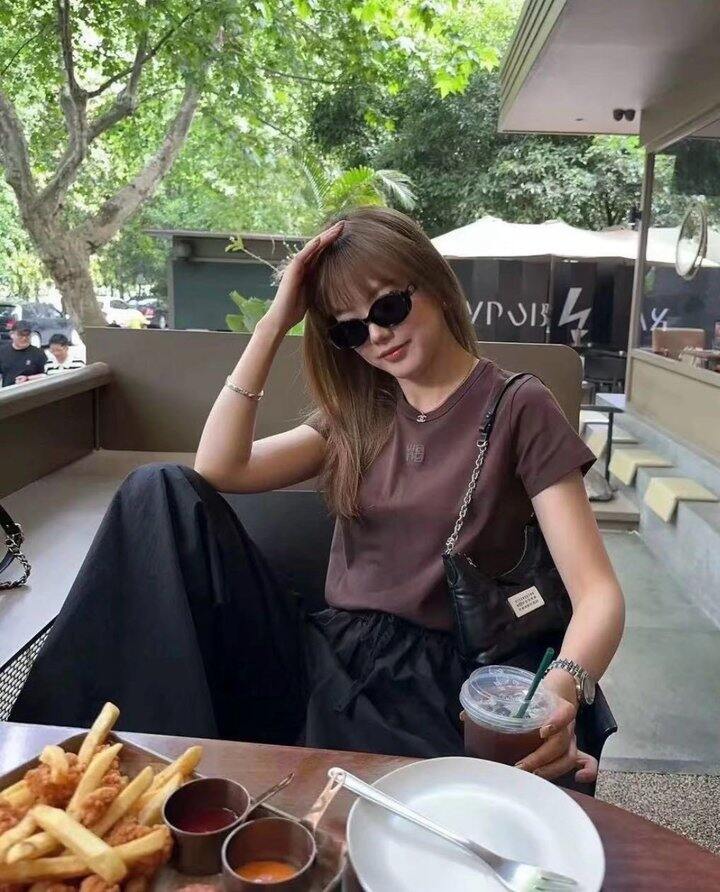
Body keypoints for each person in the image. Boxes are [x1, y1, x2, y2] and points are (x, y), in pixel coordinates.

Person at [11, 207, 625, 787]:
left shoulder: (518, 406)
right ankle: (53, 756)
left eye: (389, 306)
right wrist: (275, 323)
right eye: (351, 328)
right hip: (323, 653)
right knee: (157, 490)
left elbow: (597, 594)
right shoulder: (360, 413)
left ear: (434, 285)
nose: (377, 334)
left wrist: (560, 691)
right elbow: (219, 466)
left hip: (436, 679)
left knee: (370, 819)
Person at [0, 321, 47, 387]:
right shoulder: (2, 351)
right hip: (9, 391)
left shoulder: (38, 353)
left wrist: (28, 378)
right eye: (20, 335)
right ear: (12, 334)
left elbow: (45, 375)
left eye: (27, 335)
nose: (24, 338)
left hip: (31, 390)